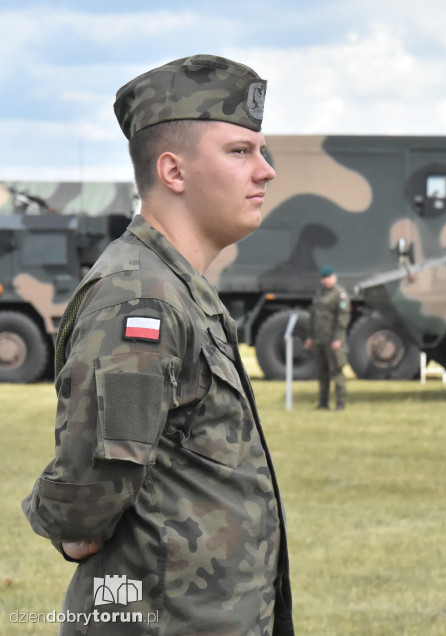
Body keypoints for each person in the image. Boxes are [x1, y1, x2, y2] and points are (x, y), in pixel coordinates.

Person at [21, 54, 293, 635]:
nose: (265, 171)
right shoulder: (139, 299)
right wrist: (66, 528)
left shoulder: (177, 287)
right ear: (173, 172)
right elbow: (90, 488)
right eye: (240, 152)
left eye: (260, 151)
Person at [305, 265, 351, 410]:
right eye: (324, 278)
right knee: (321, 373)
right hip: (319, 340)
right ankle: (323, 403)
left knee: (336, 371)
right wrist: (311, 337)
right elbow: (314, 316)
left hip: (333, 341)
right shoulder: (319, 293)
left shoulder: (340, 294)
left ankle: (340, 403)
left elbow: (342, 319)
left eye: (329, 277)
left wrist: (337, 339)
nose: (326, 280)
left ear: (334, 277)